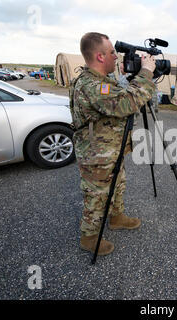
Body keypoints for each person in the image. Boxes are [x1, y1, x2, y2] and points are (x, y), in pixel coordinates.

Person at [69, 32, 156, 256]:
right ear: (99, 57)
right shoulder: (91, 85)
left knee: (118, 184)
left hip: (110, 151)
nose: (116, 57)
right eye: (111, 53)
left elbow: (118, 93)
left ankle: (116, 217)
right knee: (97, 196)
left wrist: (131, 78)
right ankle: (89, 237)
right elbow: (126, 103)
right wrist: (146, 72)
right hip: (96, 155)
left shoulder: (100, 81)